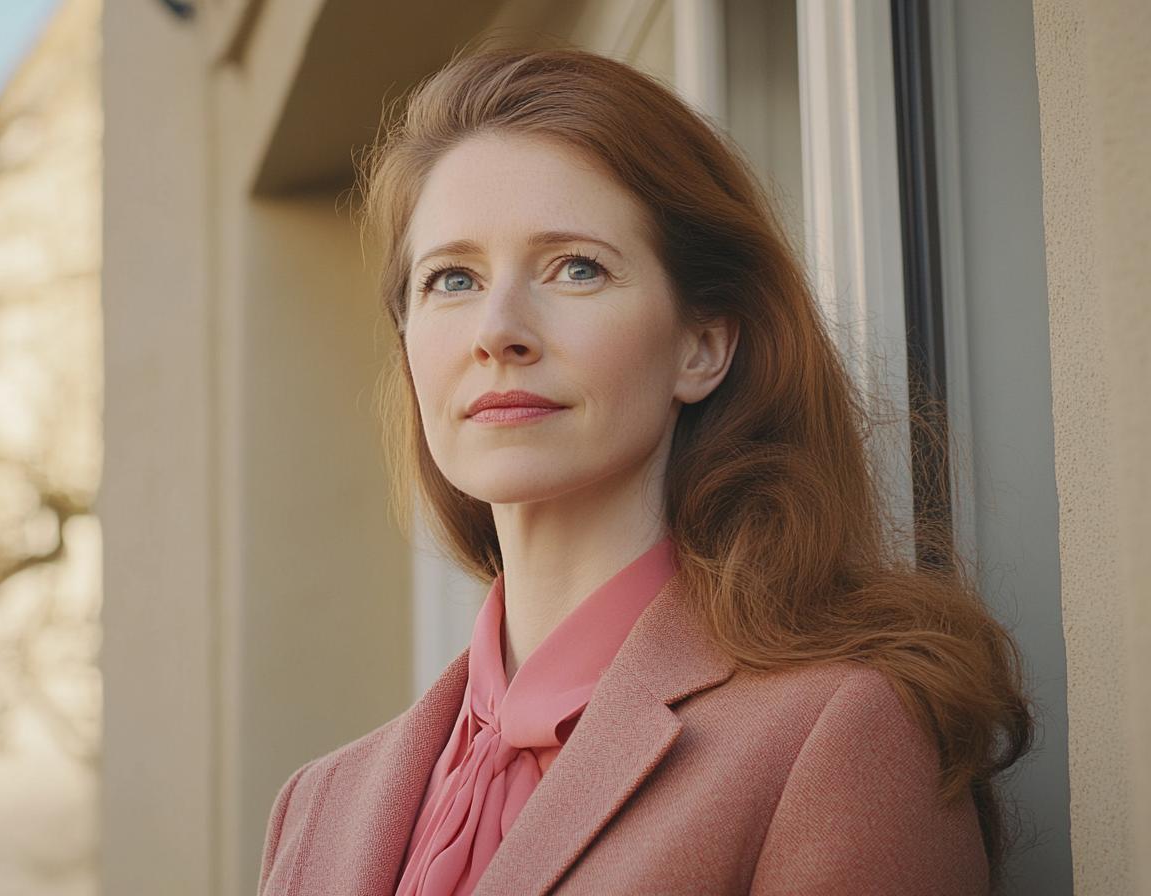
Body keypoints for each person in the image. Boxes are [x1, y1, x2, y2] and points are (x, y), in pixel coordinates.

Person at [258, 48, 1031, 896]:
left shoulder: (839, 732)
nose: (498, 329)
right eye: (452, 279)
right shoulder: (315, 808)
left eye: (575, 267)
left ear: (702, 346)